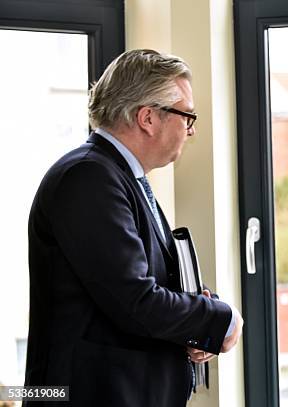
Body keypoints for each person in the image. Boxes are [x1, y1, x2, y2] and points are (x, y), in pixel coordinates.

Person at [25, 49, 243, 406]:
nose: (192, 130)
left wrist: (196, 320)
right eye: (187, 116)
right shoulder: (88, 177)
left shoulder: (117, 175)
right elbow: (135, 300)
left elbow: (154, 280)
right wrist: (220, 319)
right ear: (147, 118)